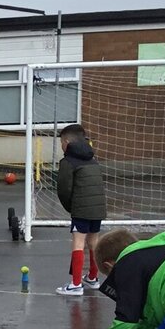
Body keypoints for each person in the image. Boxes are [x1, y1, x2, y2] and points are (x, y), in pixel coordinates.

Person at [54, 123, 105, 296]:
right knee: (94, 242)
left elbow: (64, 190)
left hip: (81, 209)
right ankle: (93, 277)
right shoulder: (93, 159)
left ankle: (75, 284)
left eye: (61, 142)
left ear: (67, 142)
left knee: (78, 242)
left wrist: (71, 208)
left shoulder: (67, 162)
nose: (61, 146)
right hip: (98, 209)